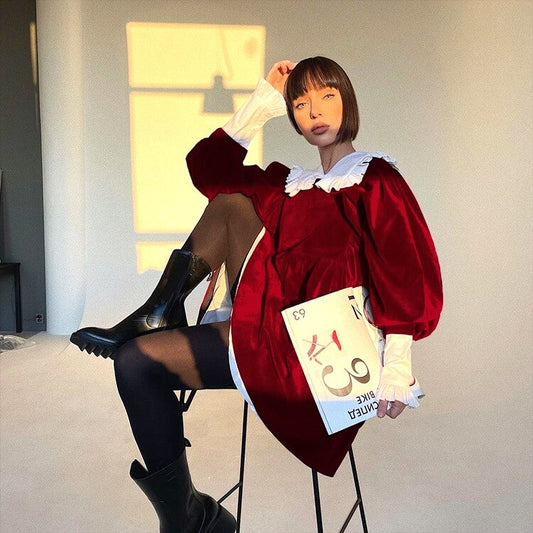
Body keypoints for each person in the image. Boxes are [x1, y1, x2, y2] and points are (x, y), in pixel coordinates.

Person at [71, 57, 443, 532]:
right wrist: (263, 100)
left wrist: (398, 366)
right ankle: (187, 514)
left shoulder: (375, 179)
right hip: (264, 332)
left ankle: (159, 313)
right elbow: (208, 170)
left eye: (327, 96)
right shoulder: (288, 186)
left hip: (323, 350)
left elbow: (404, 271)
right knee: (135, 360)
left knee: (141, 353)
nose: (314, 111)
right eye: (300, 103)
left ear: (348, 100)